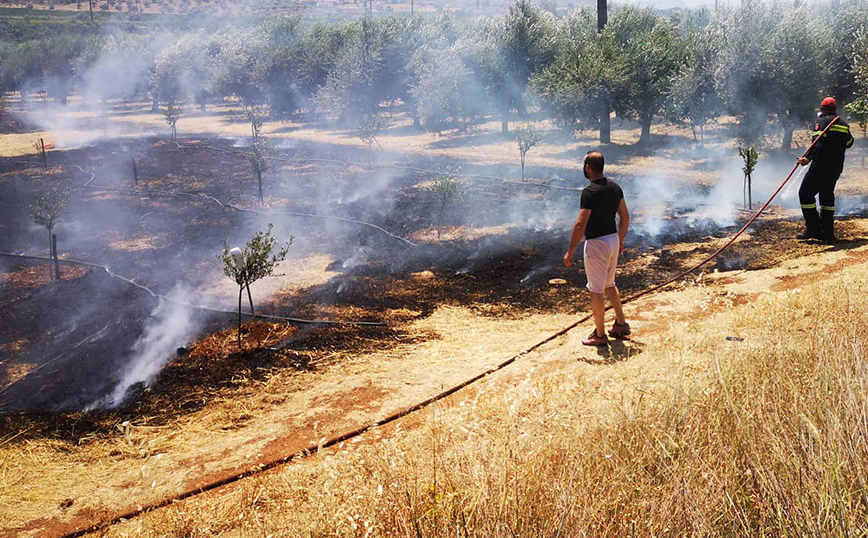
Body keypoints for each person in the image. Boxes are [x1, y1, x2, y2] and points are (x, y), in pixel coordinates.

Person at [563, 150, 630, 347]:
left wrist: (570, 249)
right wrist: (620, 239)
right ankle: (621, 323)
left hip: (597, 244)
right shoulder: (614, 187)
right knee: (609, 284)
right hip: (612, 240)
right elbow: (625, 217)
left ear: (588, 168)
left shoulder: (589, 192)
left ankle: (600, 335)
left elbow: (580, 224)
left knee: (596, 290)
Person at [796, 97, 854, 242]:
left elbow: (818, 145)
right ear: (835, 109)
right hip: (835, 168)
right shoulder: (843, 124)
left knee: (805, 194)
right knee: (826, 197)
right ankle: (828, 233)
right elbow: (849, 142)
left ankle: (814, 228)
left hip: (820, 166)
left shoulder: (822, 123)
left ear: (822, 109)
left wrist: (807, 159)